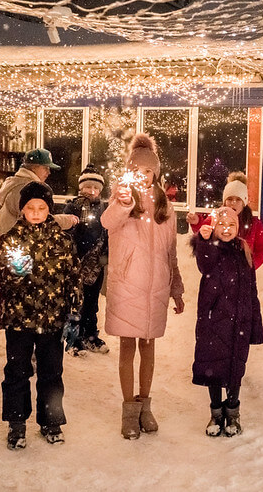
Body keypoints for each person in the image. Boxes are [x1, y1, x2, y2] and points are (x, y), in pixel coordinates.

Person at [101, 133, 185, 440]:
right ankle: (128, 411)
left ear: (156, 173)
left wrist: (176, 287)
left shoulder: (165, 207)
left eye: (148, 171)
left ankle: (145, 406)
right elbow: (107, 222)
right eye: (137, 170)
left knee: (148, 347)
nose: (143, 176)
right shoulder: (122, 199)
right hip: (127, 285)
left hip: (155, 288)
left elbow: (171, 251)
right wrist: (123, 204)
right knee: (127, 347)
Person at [0, 182, 82, 450]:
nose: (35, 213)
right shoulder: (12, 238)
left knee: (51, 372)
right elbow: (6, 277)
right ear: (22, 209)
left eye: (41, 208)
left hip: (52, 319)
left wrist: (74, 311)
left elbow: (73, 277)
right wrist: (19, 272)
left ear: (49, 210)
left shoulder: (63, 241)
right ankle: (16, 422)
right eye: (30, 207)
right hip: (19, 319)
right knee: (16, 371)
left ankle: (51, 421)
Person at [191, 206, 263, 437]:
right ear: (214, 227)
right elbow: (204, 264)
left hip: (239, 323)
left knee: (235, 369)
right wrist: (204, 241)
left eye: (231, 225)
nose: (226, 229)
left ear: (238, 228)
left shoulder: (244, 250)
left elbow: (252, 290)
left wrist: (255, 324)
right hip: (214, 322)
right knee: (212, 368)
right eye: (221, 225)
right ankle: (216, 413)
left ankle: (232, 412)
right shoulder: (211, 249)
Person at [0, 148, 78, 328]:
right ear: (34, 167)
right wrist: (66, 220)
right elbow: (38, 221)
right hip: (23, 253)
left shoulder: (15, 184)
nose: (48, 172)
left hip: (20, 253)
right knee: (26, 304)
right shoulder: (25, 188)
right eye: (45, 167)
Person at [63, 164, 109, 356]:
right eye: (88, 187)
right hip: (77, 264)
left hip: (96, 265)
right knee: (75, 303)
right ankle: (73, 340)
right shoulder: (72, 206)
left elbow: (107, 232)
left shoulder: (104, 208)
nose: (92, 191)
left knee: (92, 303)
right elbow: (67, 234)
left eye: (96, 187)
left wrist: (105, 253)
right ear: (81, 188)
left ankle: (90, 336)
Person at [186, 171, 263, 270]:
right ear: (224, 201)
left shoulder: (254, 224)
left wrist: (249, 266)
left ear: (244, 202)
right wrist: (197, 222)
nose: (233, 203)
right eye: (230, 199)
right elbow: (203, 235)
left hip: (243, 274)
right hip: (218, 272)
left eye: (238, 199)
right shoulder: (215, 217)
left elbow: (261, 249)